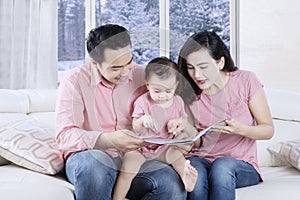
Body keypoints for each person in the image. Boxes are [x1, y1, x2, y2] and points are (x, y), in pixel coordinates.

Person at [55, 24, 187, 200]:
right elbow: (64, 135)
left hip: (134, 160)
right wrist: (108, 139)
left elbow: (173, 106)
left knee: (170, 184)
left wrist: (178, 127)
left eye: (129, 61)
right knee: (94, 167)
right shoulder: (75, 81)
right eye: (116, 68)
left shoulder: (144, 76)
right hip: (90, 158)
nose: (125, 72)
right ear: (94, 63)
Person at [177, 31, 274, 200]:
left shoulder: (246, 80)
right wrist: (187, 136)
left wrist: (241, 129)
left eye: (203, 67)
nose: (197, 75)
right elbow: (198, 140)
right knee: (194, 173)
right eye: (191, 68)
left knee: (221, 167)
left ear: (220, 62)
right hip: (202, 159)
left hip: (240, 164)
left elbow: (268, 130)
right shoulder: (189, 93)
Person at [113, 57, 198, 200]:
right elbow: (135, 127)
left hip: (164, 147)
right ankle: (117, 198)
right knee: (128, 169)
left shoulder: (177, 101)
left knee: (177, 156)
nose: (163, 96)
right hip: (141, 147)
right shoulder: (142, 102)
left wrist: (179, 122)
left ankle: (186, 178)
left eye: (168, 90)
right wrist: (142, 121)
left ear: (176, 85)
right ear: (147, 85)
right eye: (157, 91)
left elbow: (183, 120)